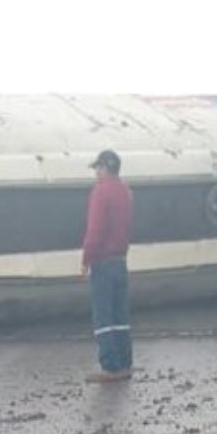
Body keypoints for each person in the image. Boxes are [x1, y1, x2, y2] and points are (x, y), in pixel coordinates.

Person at [81, 149, 135, 382]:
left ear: (104, 168)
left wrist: (86, 259)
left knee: (103, 317)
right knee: (120, 315)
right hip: (121, 260)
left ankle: (110, 367)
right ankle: (125, 362)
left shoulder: (100, 192)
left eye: (97, 168)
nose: (96, 172)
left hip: (102, 262)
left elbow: (95, 230)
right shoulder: (125, 191)